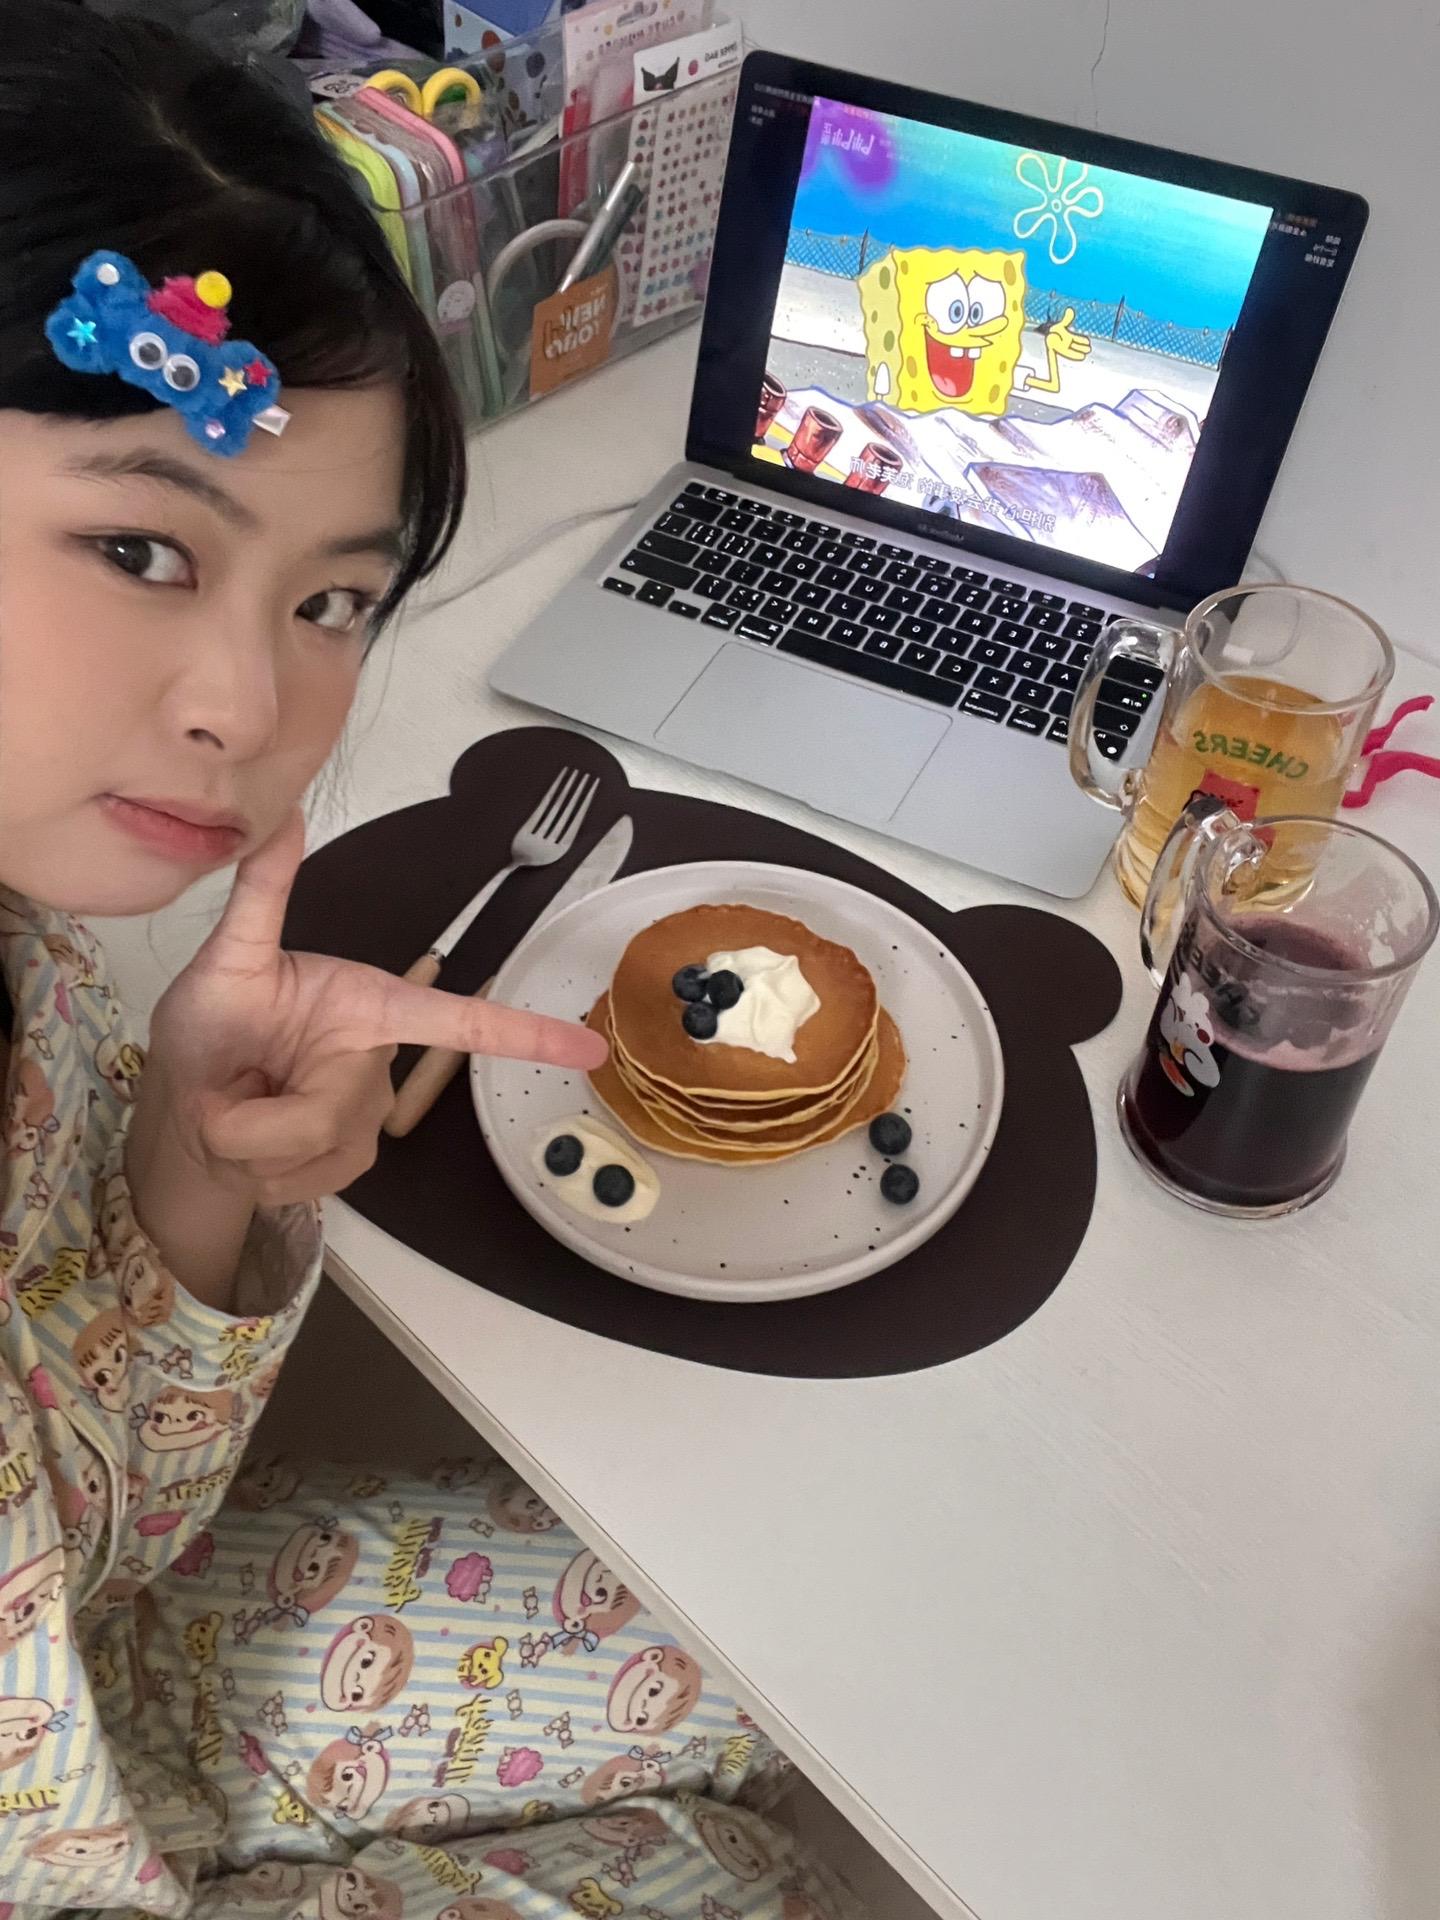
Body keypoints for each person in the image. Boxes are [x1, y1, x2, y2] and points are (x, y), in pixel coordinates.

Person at [0, 8, 866, 1916]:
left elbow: (103, 1529)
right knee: (749, 1878)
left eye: (333, 599)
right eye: (141, 549)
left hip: (89, 1683)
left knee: (797, 1667)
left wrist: (191, 1166)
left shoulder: (35, 947)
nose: (250, 707)